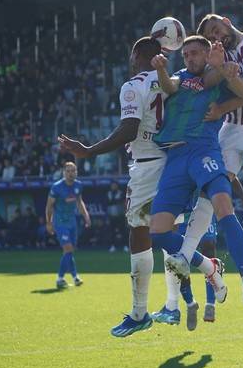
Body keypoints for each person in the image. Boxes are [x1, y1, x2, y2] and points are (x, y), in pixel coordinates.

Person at [59, 36, 173, 336]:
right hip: (176, 163)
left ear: (137, 55)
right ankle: (176, 304)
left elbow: (129, 128)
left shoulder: (133, 85)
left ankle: (139, 313)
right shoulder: (173, 81)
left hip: (148, 166)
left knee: (139, 233)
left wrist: (88, 150)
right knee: (174, 233)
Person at [147, 36, 243, 308]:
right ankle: (209, 266)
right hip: (174, 157)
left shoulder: (217, 76)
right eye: (186, 54)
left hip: (203, 151)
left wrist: (221, 68)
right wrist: (162, 68)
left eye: (195, 53)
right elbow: (169, 86)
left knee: (224, 207)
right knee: (158, 232)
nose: (190, 58)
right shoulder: (179, 77)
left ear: (207, 54)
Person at [179, 13, 243, 285]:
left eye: (216, 29)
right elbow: (205, 83)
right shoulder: (217, 55)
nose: (217, 37)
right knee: (209, 190)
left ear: (226, 21)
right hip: (231, 129)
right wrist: (214, 69)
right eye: (211, 37)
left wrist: (222, 107)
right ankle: (185, 253)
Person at [45, 161, 91, 289]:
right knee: (68, 249)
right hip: (60, 222)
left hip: (72, 222)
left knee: (69, 251)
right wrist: (48, 223)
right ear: (63, 173)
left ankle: (75, 278)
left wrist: (86, 216)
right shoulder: (56, 187)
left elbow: (79, 202)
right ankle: (60, 278)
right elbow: (49, 206)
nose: (71, 173)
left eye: (73, 171)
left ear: (76, 172)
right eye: (68, 171)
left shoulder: (78, 185)